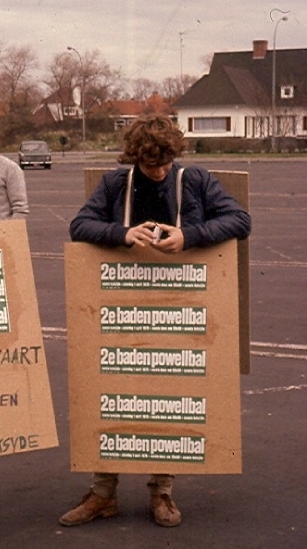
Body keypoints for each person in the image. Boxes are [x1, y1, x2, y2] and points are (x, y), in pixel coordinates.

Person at [59, 114, 251, 529]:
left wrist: (191, 236)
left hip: (179, 306)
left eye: (166, 163)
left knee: (169, 391)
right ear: (135, 160)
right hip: (120, 305)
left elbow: (240, 220)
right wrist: (122, 234)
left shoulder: (196, 180)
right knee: (113, 390)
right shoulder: (115, 184)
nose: (160, 171)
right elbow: (79, 225)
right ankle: (102, 492)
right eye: (151, 166)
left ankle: (161, 491)